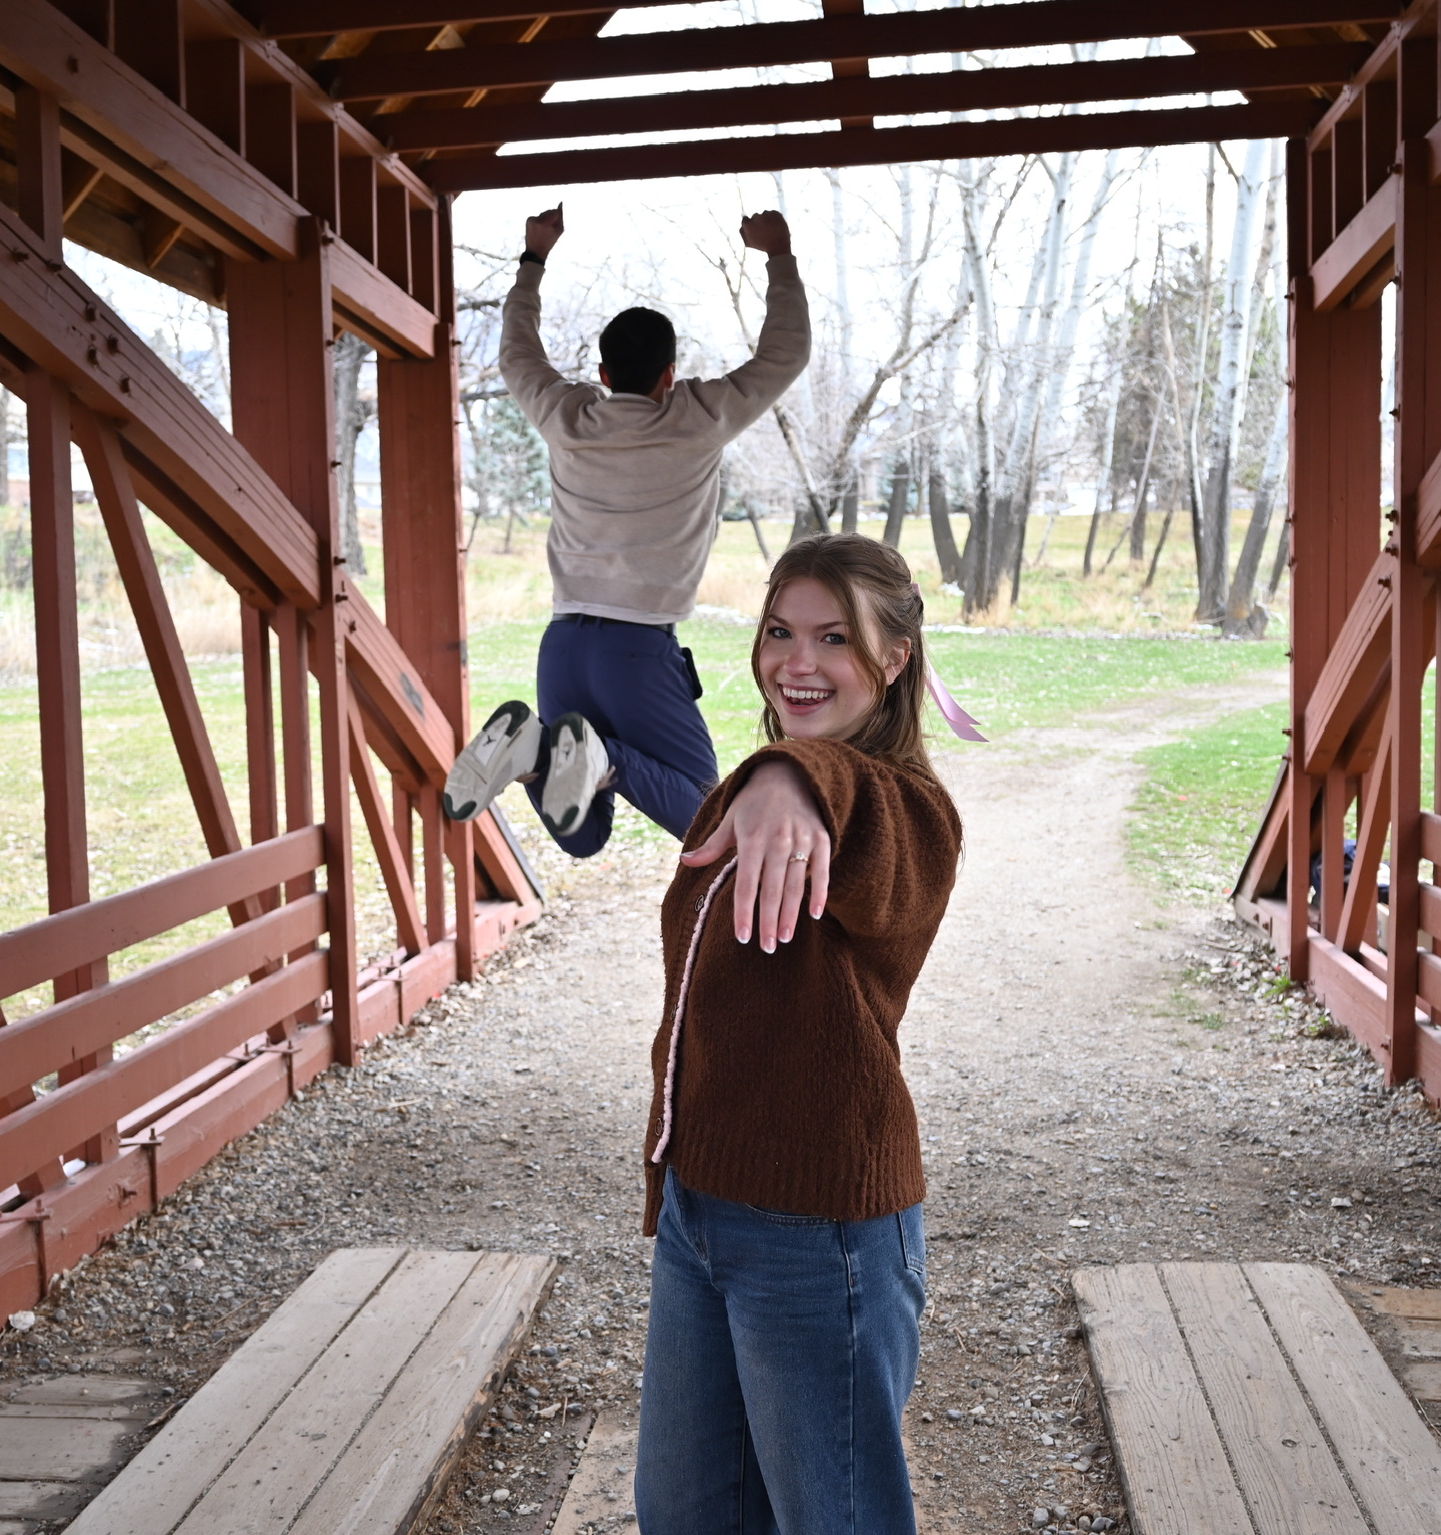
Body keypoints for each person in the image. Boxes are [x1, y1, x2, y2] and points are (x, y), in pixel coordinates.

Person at [634, 534, 963, 1535]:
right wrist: (766, 773)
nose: (795, 661)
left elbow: (855, 803)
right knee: (685, 1515)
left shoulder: (905, 813)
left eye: (833, 637)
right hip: (701, 1211)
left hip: (819, 1236)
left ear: (894, 657)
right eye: (779, 630)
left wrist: (792, 771)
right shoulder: (757, 787)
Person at [439, 202, 812, 856]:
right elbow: (785, 355)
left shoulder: (567, 415)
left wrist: (533, 261)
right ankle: (603, 758)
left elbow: (517, 354)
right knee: (710, 818)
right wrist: (778, 256)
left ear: (604, 375)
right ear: (669, 376)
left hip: (561, 647)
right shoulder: (697, 417)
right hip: (638, 653)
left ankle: (531, 752)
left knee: (584, 835)